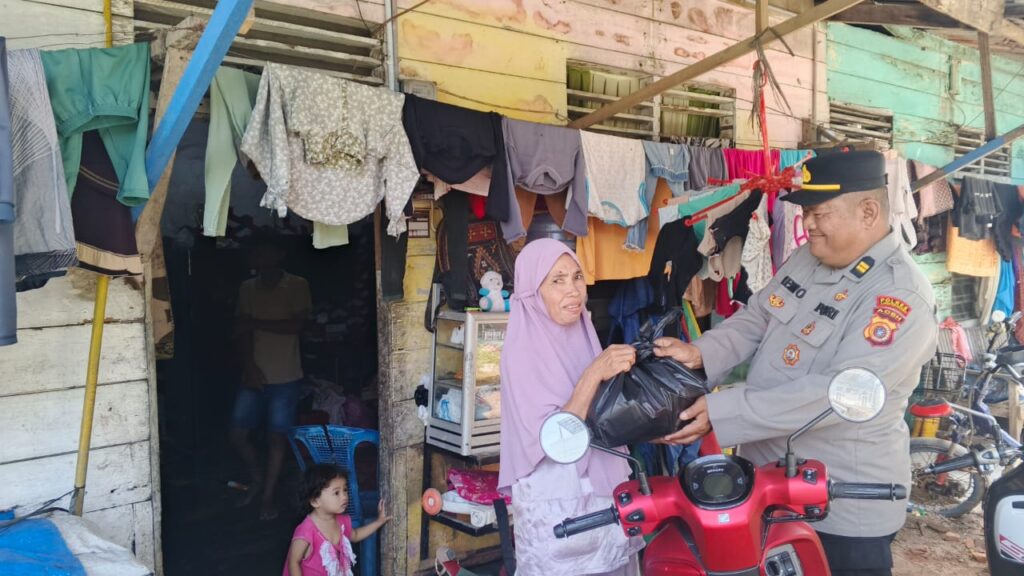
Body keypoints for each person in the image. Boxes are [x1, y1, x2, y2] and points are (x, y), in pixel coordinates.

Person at [653, 151, 938, 576]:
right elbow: (758, 316)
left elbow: (839, 396)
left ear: (868, 212)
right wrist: (701, 353)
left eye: (819, 213)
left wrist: (722, 410)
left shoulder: (898, 295)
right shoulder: (810, 257)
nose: (809, 224)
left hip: (838, 506)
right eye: (806, 213)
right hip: (769, 488)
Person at [498, 238, 644, 576]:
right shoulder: (522, 355)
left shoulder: (585, 337)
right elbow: (555, 440)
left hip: (605, 503)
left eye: (577, 277)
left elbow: (605, 416)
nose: (573, 290)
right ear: (533, 293)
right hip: (558, 509)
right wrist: (594, 373)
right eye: (557, 280)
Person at [231, 237, 312, 520]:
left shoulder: (297, 285)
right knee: (237, 435)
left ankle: (267, 496)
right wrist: (249, 366)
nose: (261, 258)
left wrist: (255, 322)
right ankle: (257, 478)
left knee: (276, 439)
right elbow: (241, 331)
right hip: (253, 375)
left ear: (280, 254)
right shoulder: (247, 288)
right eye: (257, 252)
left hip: (286, 375)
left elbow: (296, 325)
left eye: (266, 252)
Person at [284, 463, 390, 576]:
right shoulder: (306, 530)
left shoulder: (341, 521)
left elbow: (355, 535)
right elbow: (293, 562)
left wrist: (379, 521)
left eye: (345, 490)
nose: (344, 496)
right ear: (315, 501)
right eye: (336, 493)